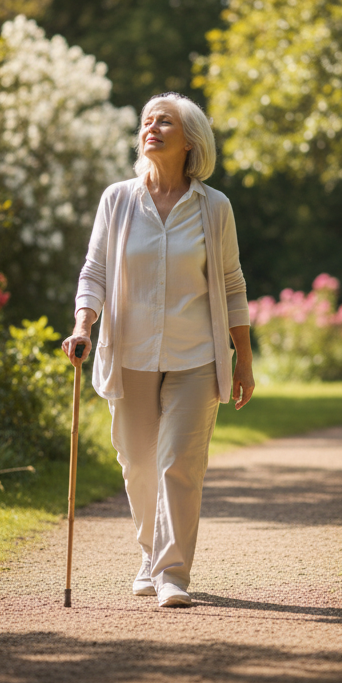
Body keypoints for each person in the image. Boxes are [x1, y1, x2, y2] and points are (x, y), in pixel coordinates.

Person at [62, 92, 255, 607]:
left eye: (164, 121)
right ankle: (148, 553)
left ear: (190, 140)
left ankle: (173, 573)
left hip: (196, 356)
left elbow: (232, 285)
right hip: (131, 354)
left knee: (178, 464)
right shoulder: (118, 199)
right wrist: (84, 325)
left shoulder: (215, 208)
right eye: (147, 121)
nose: (152, 128)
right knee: (138, 463)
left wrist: (243, 361)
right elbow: (95, 271)